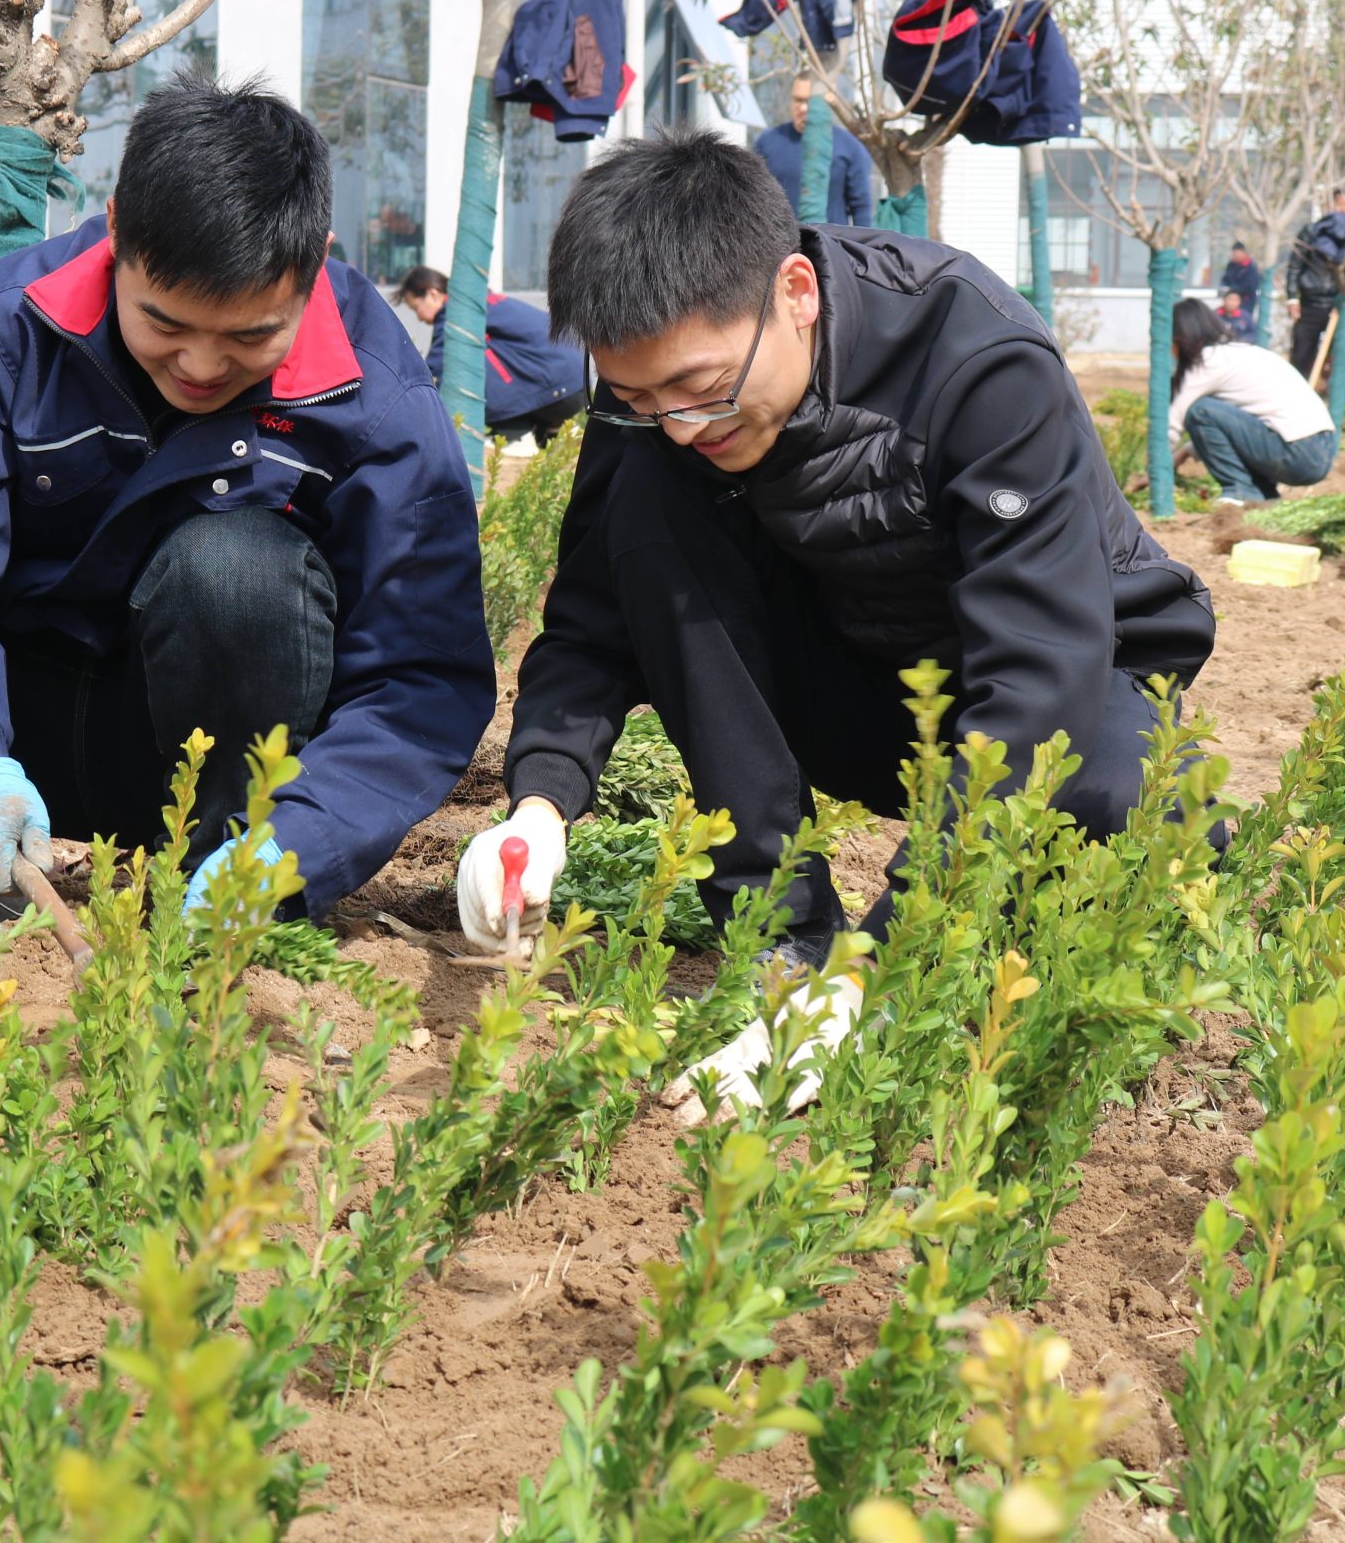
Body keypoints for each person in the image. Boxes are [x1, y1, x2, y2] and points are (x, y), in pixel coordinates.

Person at [457, 129, 1215, 1107]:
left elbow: (1038, 679)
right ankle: (780, 924)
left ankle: (881, 975)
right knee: (644, 500)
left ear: (795, 295)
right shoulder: (654, 404)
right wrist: (541, 805)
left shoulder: (977, 358)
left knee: (1113, 804)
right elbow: (596, 615)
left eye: (702, 389)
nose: (684, 424)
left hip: (1073, 678)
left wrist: (870, 978)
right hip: (849, 681)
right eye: (642, 397)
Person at [0, 75, 495, 931]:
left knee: (233, 566)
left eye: (248, 337)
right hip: (1, 723)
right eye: (166, 324)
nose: (198, 365)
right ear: (115, 230)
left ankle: (214, 903)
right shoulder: (3, 326)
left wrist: (295, 846)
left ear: (315, 265)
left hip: (189, 764)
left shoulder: (374, 397)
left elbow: (420, 677)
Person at [396, 265, 587, 450]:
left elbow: (434, 371)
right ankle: (546, 431)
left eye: (416, 308)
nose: (419, 318)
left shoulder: (457, 314)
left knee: (464, 370)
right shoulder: (484, 301)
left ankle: (516, 436)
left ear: (433, 293)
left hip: (557, 390)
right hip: (577, 384)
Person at [1165, 299, 1336, 505]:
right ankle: (1263, 496)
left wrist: (1155, 469)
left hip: (1299, 452)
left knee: (1200, 411)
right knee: (1206, 411)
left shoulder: (1208, 362)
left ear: (1181, 338)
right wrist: (1185, 453)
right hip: (1321, 448)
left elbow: (1175, 423)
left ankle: (1240, 492)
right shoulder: (1236, 353)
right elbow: (1235, 430)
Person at [750, 73, 877, 226]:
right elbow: (752, 199)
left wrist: (861, 248)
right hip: (780, 245)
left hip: (829, 245)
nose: (803, 108)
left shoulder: (850, 148)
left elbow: (861, 208)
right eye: (798, 100)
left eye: (810, 101)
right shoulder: (767, 142)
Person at [1286, 187, 1345, 405]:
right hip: (1310, 302)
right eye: (1338, 205)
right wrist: (1292, 297)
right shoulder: (1311, 231)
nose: (1342, 210)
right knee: (1302, 352)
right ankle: (1296, 399)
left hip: (1338, 304)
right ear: (1329, 206)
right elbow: (1295, 266)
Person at [1218, 240, 1261, 326]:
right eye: (1234, 253)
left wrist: (1235, 290)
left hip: (1246, 301)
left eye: (1237, 253)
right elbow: (1226, 278)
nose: (1235, 256)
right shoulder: (1232, 265)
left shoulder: (1251, 268)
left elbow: (1250, 286)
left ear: (1243, 253)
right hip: (1230, 297)